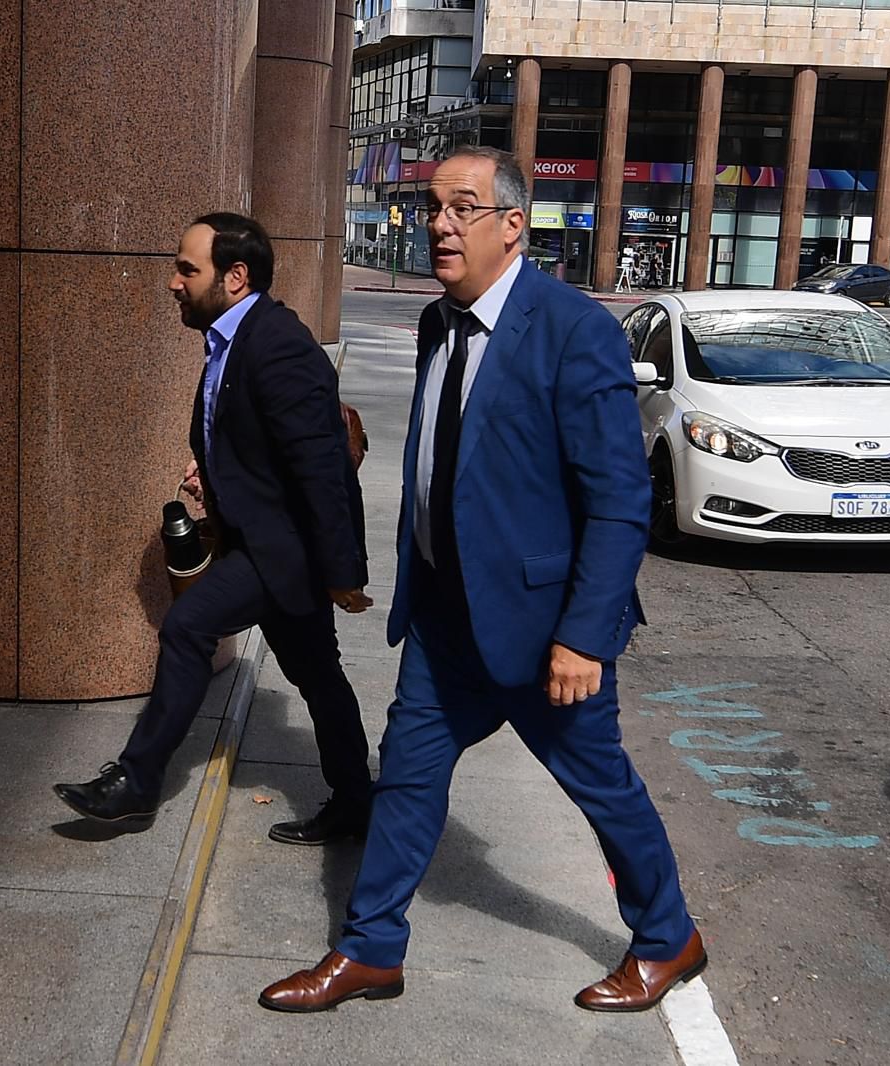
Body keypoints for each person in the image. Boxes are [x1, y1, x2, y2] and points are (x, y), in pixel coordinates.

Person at [259, 147, 703, 1014]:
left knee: (601, 787)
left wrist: (583, 636)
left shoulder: (573, 330)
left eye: (463, 208)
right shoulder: (440, 322)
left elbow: (619, 501)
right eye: (433, 208)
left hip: (543, 630)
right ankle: (370, 949)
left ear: (512, 225)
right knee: (407, 778)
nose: (440, 225)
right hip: (444, 618)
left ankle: (667, 938)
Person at [54, 212, 376, 846]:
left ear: (235, 276)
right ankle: (357, 801)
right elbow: (256, 442)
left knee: (188, 625)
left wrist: (344, 572)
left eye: (187, 269)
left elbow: (321, 467)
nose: (173, 282)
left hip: (284, 550)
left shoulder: (279, 345)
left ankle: (136, 783)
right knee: (317, 674)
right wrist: (214, 475)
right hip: (264, 541)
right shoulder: (234, 338)